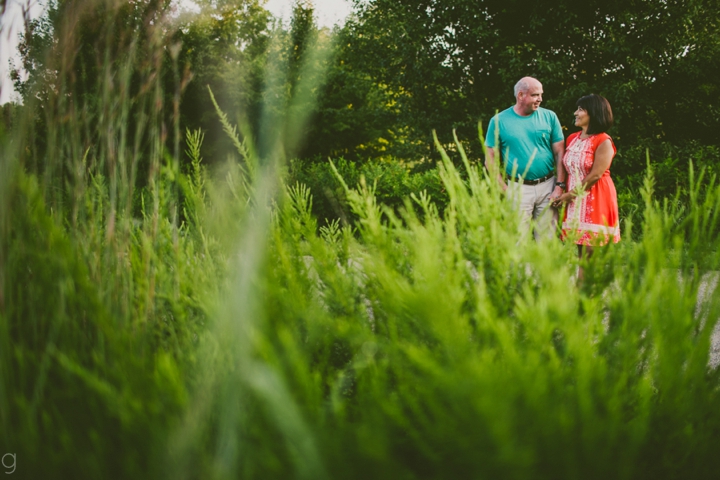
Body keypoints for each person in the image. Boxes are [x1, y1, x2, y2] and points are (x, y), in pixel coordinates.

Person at [485, 76, 566, 240]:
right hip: (517, 187)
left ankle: (544, 267)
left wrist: (559, 186)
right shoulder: (499, 121)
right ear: (521, 95)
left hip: (548, 186)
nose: (540, 99)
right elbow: (490, 160)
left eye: (541, 95)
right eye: (536, 95)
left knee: (547, 240)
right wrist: (504, 190)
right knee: (518, 241)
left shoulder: (549, 117)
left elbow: (560, 153)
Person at [551, 94, 620, 282]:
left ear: (594, 113)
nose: (576, 113)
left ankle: (585, 295)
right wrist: (562, 190)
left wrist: (570, 195)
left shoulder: (603, 140)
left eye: (581, 109)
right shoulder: (573, 138)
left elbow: (597, 174)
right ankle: (583, 293)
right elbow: (565, 166)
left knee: (590, 251)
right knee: (581, 248)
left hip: (596, 197)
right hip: (575, 198)